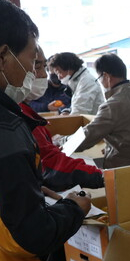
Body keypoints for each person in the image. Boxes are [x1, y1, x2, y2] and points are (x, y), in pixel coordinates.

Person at [0, 0, 91, 261]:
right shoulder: (5, 132)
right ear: (3, 56)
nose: (38, 71)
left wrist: (32, 190)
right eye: (32, 59)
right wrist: (73, 208)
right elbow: (31, 235)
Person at [23, 46, 104, 190]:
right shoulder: (21, 112)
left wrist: (63, 140)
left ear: (67, 68)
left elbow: (80, 112)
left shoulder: (85, 82)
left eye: (57, 71)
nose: (44, 75)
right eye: (37, 66)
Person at [75, 53, 130, 168]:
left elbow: (88, 136)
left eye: (99, 78)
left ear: (106, 76)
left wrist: (61, 142)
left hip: (122, 169)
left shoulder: (112, 105)